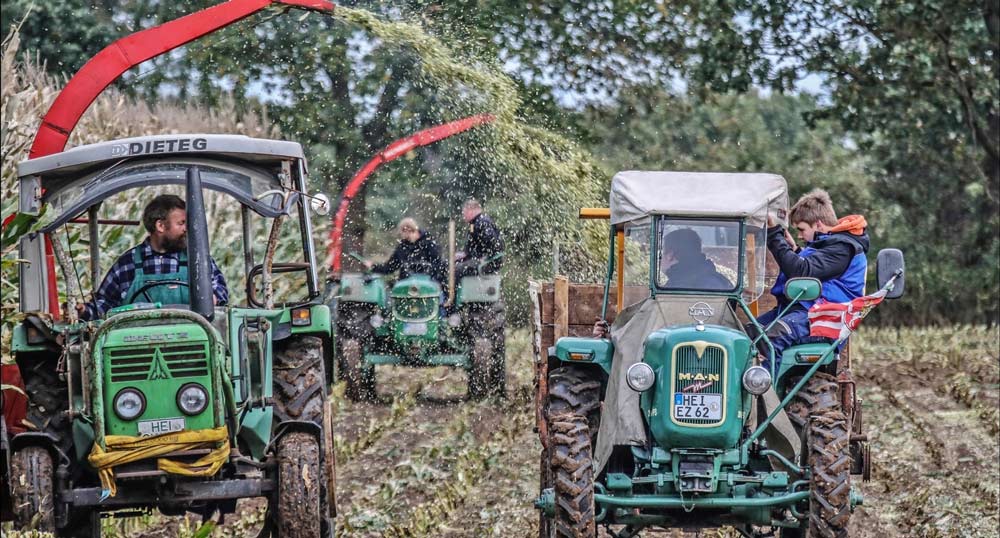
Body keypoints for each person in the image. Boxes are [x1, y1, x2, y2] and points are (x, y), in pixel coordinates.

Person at [755, 188, 869, 363]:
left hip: (826, 316)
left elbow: (801, 271)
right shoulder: (829, 244)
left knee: (774, 337)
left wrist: (774, 236)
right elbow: (818, 270)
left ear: (818, 224)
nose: (800, 235)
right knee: (747, 332)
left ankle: (762, 389)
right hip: (805, 309)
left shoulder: (843, 248)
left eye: (801, 229)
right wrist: (795, 251)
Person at [79, 194, 228, 320]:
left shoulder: (196, 260)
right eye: (181, 223)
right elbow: (105, 304)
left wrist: (212, 298)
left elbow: (220, 293)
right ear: (160, 226)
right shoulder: (128, 263)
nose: (186, 229)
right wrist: (83, 311)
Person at [365, 217, 446, 282]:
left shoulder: (430, 244)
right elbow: (390, 267)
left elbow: (438, 264)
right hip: (406, 283)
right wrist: (373, 266)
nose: (403, 236)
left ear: (408, 230)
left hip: (428, 282)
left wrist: (432, 277)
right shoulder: (402, 248)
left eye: (405, 232)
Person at [659, 228, 732, 290]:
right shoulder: (719, 282)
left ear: (670, 255)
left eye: (662, 253)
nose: (660, 259)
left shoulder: (675, 285)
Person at [456, 198, 503, 276]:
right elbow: (474, 244)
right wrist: (465, 254)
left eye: (464, 212)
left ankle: (453, 287)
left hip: (488, 262)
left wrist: (484, 257)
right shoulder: (473, 224)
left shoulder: (482, 223)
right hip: (479, 259)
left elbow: (493, 243)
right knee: (449, 264)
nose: (463, 215)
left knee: (456, 269)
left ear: (471, 210)